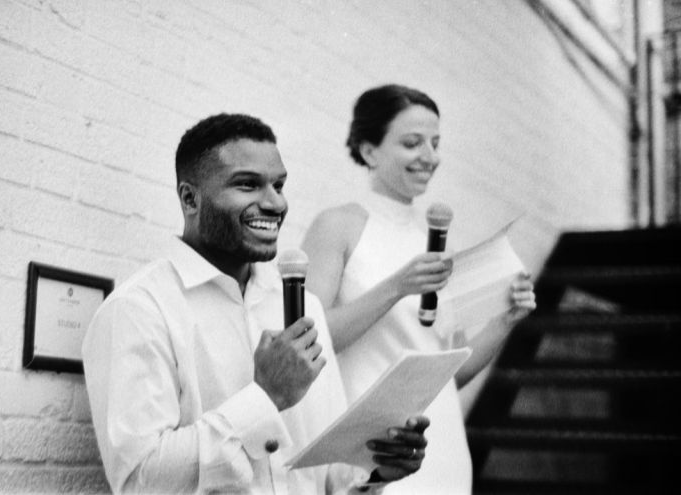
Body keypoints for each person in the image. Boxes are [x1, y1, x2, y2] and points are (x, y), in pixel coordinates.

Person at [82, 113, 431, 494]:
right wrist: (266, 398)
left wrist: (375, 469)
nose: (275, 202)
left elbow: (329, 480)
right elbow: (140, 482)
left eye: (279, 185)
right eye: (247, 185)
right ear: (189, 198)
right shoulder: (139, 310)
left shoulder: (306, 307)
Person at [300, 84, 537, 494]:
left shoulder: (438, 240)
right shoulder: (338, 225)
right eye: (412, 143)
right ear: (369, 150)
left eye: (435, 143)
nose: (430, 156)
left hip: (442, 451)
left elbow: (451, 373)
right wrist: (396, 287)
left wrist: (505, 321)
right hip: (376, 456)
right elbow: (309, 344)